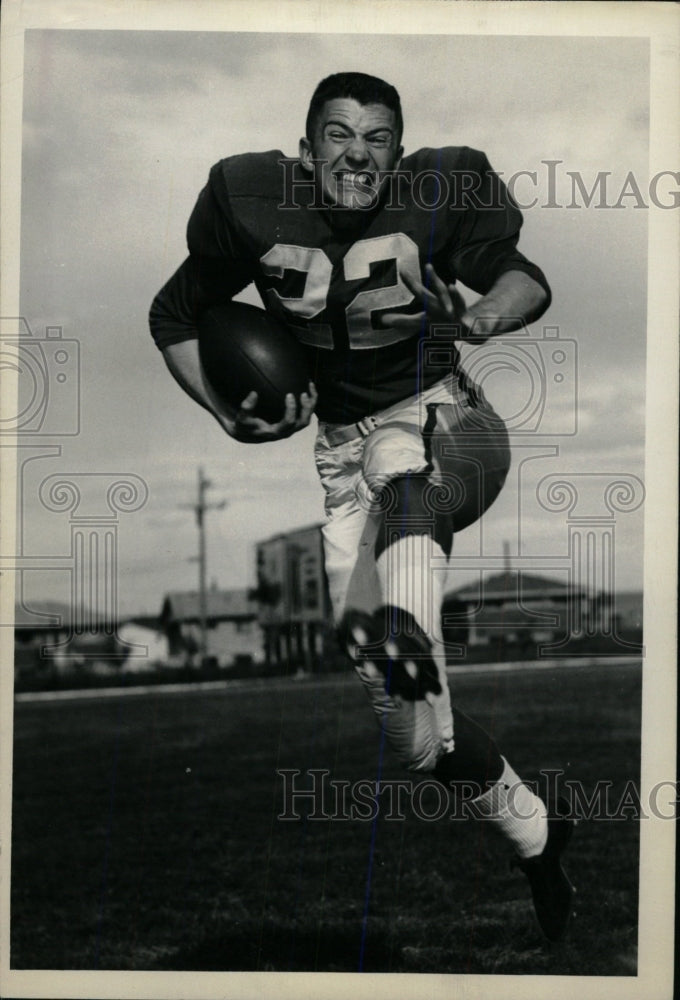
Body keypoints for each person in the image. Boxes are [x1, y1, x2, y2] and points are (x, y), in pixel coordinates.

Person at [149, 72, 575, 942]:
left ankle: (407, 612)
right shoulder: (247, 198)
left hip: (444, 417)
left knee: (399, 457)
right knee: (419, 739)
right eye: (338, 134)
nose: (357, 152)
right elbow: (174, 315)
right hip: (340, 458)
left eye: (378, 137)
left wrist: (485, 316)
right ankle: (536, 834)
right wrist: (229, 414)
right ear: (305, 151)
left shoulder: (440, 188)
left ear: (400, 151)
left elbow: (524, 277)